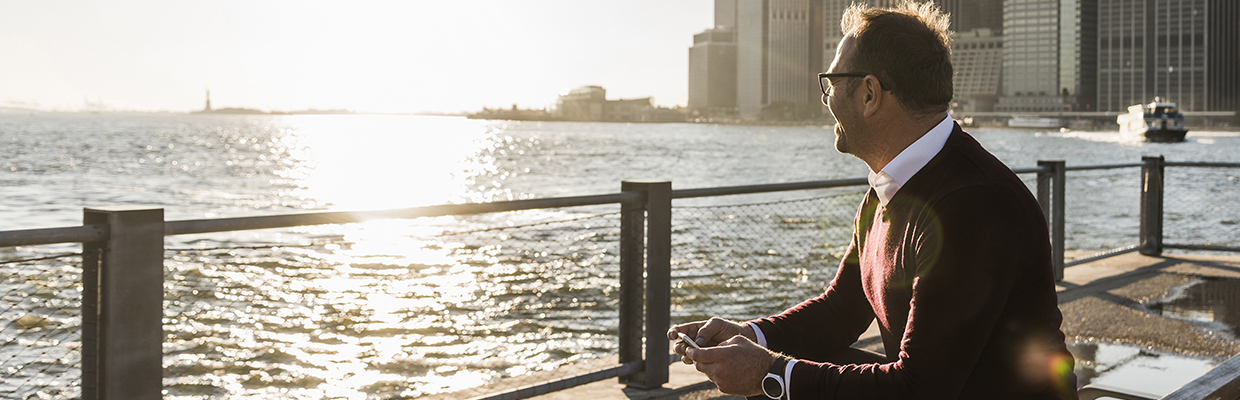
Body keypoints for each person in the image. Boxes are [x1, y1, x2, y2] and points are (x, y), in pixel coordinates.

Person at [667, 2, 1078, 399]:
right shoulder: (890, 186)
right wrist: (750, 334)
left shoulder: (973, 204)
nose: (826, 98)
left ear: (869, 94)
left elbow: (920, 389)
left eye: (831, 83)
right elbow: (840, 311)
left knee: (779, 383)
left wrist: (768, 373)